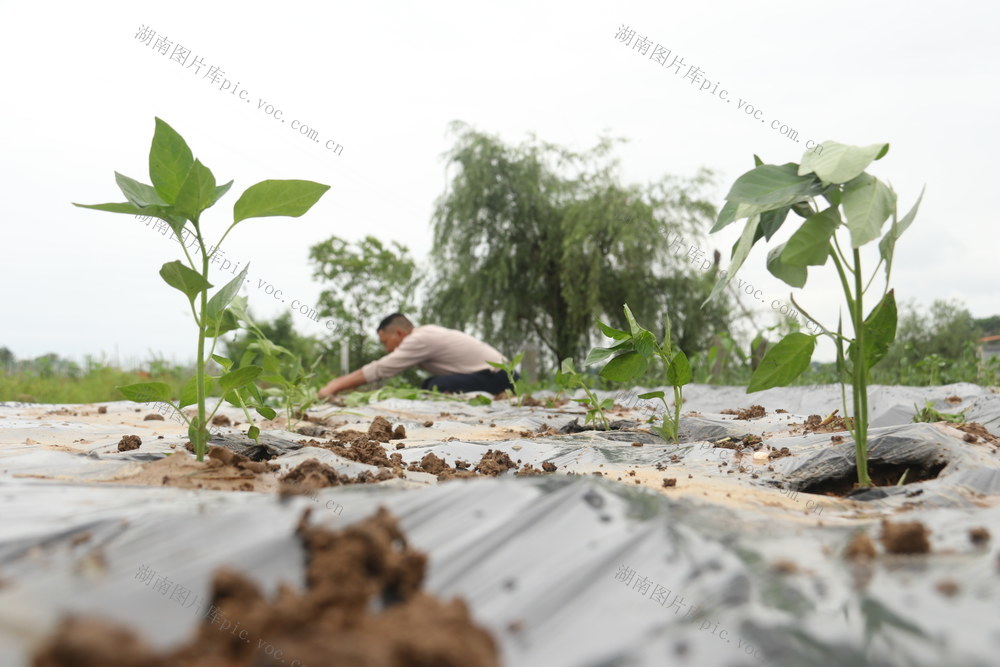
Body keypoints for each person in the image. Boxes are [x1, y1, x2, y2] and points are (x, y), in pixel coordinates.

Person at [317, 313, 517, 399]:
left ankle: (498, 397)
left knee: (435, 387)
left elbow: (381, 369)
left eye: (386, 342)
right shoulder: (425, 333)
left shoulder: (418, 339)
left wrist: (334, 386)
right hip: (495, 374)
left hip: (501, 377)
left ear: (399, 334)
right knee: (430, 385)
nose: (387, 349)